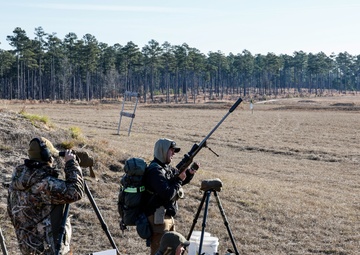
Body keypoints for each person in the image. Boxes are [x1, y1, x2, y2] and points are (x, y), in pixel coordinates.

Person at [7, 137, 85, 255]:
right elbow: (75, 191)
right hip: (48, 249)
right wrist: (71, 164)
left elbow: (11, 212)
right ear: (46, 155)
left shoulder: (16, 180)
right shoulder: (45, 184)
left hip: (27, 246)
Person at [142, 138, 198, 255]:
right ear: (162, 151)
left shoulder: (165, 168)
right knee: (160, 252)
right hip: (158, 220)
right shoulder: (155, 171)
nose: (173, 153)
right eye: (171, 150)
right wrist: (178, 180)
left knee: (172, 252)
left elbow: (176, 183)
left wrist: (188, 175)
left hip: (166, 216)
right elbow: (167, 193)